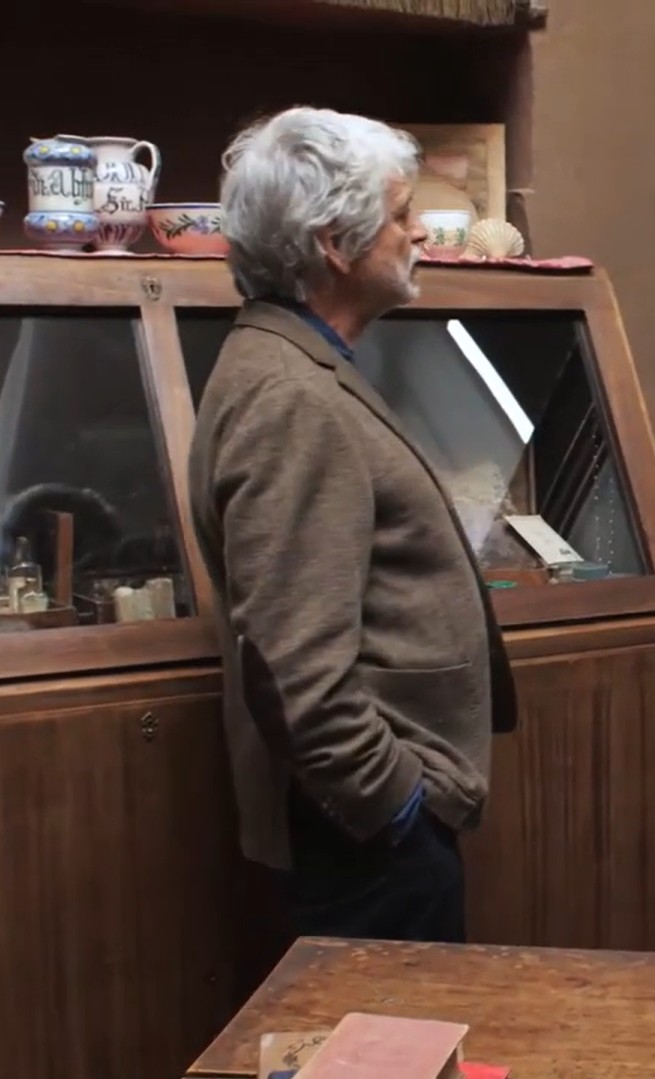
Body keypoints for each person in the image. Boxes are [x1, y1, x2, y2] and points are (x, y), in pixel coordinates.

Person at [187, 106, 517, 943]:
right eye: (401, 215)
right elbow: (296, 673)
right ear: (334, 243)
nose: (420, 233)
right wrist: (398, 808)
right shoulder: (290, 397)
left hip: (368, 833)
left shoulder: (302, 366)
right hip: (363, 844)